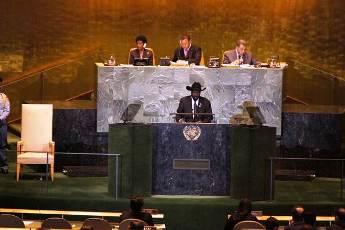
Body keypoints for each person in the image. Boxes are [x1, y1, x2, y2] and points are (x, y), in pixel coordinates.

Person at [0, 77, 10, 174]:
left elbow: (7, 110)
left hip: (1, 124)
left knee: (2, 145)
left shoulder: (3, 97)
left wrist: (0, 118)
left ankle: (4, 165)